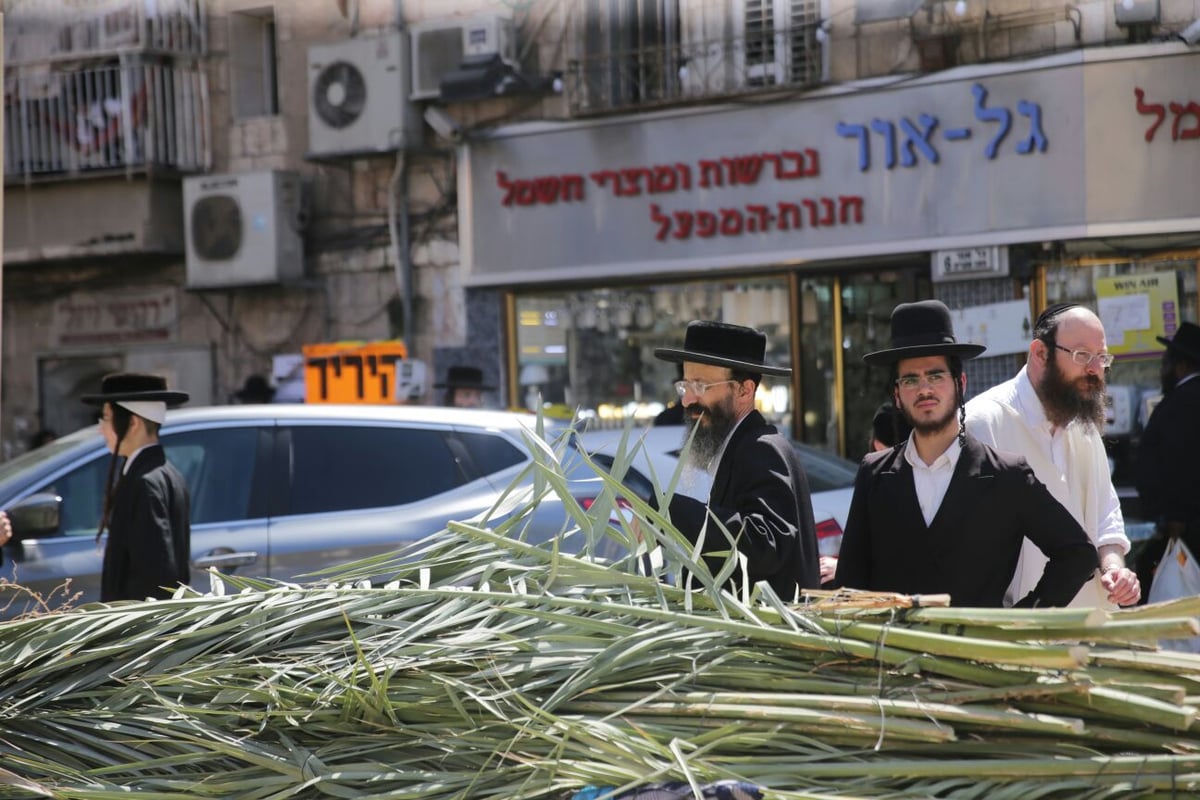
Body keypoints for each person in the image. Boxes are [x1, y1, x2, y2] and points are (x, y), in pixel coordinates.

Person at [834, 300, 1097, 607]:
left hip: (975, 652)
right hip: (892, 652)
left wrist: (1019, 622)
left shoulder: (1005, 475)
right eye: (910, 379)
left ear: (960, 383)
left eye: (935, 376)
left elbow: (1078, 554)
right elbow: (849, 586)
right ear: (897, 394)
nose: (924, 390)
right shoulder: (874, 474)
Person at [965, 303, 1140, 609]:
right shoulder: (983, 423)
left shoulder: (1082, 424)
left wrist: (1115, 570)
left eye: (1101, 357)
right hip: (1019, 629)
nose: (1095, 369)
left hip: (1090, 630)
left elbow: (1106, 517)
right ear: (1040, 353)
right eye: (1082, 355)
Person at [651, 320, 820, 598]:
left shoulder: (762, 449)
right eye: (685, 386)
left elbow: (765, 545)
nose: (686, 401)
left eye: (701, 386)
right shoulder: (740, 448)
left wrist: (671, 512)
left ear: (744, 390)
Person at [81, 373, 192, 602]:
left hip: (145, 632)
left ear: (133, 423)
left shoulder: (146, 482)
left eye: (106, 418)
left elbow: (157, 577)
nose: (100, 429)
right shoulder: (165, 473)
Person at [1133, 321, 1200, 593]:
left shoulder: (1181, 402)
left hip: (1186, 528)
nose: (1163, 370)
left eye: (1166, 362)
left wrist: (1174, 516)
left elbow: (1179, 464)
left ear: (1181, 365)